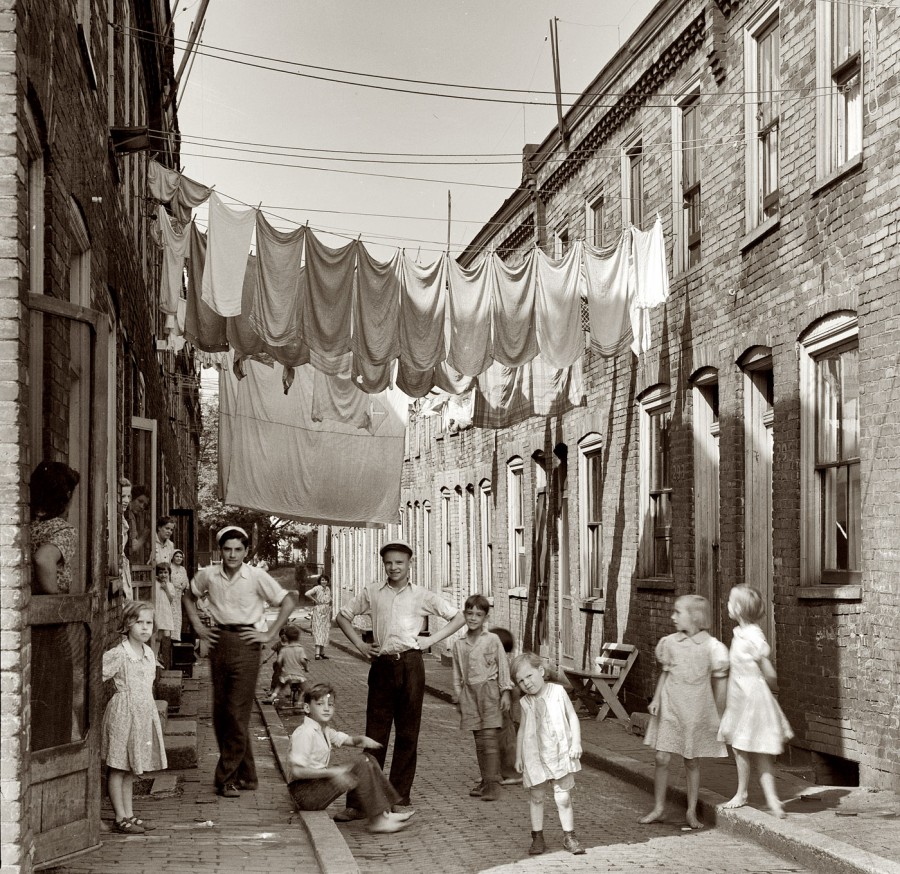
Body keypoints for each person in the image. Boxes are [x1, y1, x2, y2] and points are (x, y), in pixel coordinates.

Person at [335, 539, 465, 816]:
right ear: (384, 564)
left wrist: (432, 640)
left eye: (399, 562)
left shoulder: (422, 595)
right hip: (381, 667)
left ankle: (398, 798)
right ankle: (359, 803)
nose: (393, 567)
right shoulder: (372, 592)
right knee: (374, 736)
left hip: (411, 665)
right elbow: (343, 616)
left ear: (409, 564)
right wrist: (359, 644)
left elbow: (458, 616)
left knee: (407, 735)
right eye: (389, 562)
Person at [182, 525, 299, 798]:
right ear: (220, 550)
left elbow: (288, 602)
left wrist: (269, 633)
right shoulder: (209, 575)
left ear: (246, 551)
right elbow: (188, 596)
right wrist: (198, 627)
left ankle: (226, 778)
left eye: (238, 549)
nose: (232, 555)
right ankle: (248, 774)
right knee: (221, 714)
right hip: (220, 641)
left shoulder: (256, 576)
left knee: (237, 712)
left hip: (248, 645)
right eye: (227, 549)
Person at [639, 594, 729, 829]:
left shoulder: (712, 647)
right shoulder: (670, 643)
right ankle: (659, 808)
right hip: (671, 704)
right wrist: (657, 698)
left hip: (695, 708)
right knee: (661, 757)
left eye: (678, 612)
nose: (673, 617)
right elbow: (666, 673)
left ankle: (691, 811)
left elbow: (720, 682)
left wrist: (719, 714)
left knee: (691, 759)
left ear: (695, 617)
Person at [287, 684, 414, 834]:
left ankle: (385, 813)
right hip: (304, 794)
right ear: (307, 708)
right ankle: (378, 821)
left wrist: (361, 739)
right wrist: (333, 772)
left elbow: (348, 740)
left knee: (368, 758)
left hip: (313, 787)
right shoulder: (305, 733)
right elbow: (297, 772)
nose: (326, 708)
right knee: (360, 762)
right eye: (320, 704)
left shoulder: (324, 730)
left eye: (331, 704)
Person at [718, 584, 793, 819]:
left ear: (738, 608)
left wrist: (771, 681)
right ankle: (746, 793)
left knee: (756, 748)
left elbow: (767, 668)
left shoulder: (752, 634)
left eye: (730, 601)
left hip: (753, 698)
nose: (727, 605)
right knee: (741, 747)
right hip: (739, 697)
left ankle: (769, 799)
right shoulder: (739, 632)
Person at [101, 600, 167, 834]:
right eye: (139, 622)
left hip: (142, 713)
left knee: (129, 768)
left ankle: (129, 814)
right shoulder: (119, 654)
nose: (145, 628)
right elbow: (95, 676)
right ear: (127, 624)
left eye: (149, 623)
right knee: (118, 767)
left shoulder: (148, 652)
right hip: (123, 713)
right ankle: (120, 817)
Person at [512, 651, 586, 856]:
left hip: (559, 752)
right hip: (535, 755)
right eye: (520, 680)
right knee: (536, 797)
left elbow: (572, 717)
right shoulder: (525, 703)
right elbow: (521, 731)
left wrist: (576, 742)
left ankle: (569, 836)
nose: (526, 683)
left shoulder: (557, 692)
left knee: (563, 797)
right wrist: (519, 756)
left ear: (541, 671)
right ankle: (537, 836)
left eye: (529, 676)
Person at [30, 460, 81, 751]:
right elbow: (43, 560)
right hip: (51, 621)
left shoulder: (27, 525)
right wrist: (54, 598)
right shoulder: (62, 530)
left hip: (29, 616)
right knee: (57, 693)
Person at [451, 594, 512, 802]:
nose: (473, 618)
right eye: (470, 613)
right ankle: (486, 781)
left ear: (485, 617)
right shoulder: (459, 644)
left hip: (490, 692)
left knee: (489, 739)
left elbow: (503, 666)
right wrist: (458, 695)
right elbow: (458, 673)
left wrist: (505, 692)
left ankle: (493, 785)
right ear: (465, 615)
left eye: (479, 614)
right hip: (469, 694)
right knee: (478, 741)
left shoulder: (492, 640)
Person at [491, 627, 523, 787]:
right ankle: (494, 772)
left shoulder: (504, 663)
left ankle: (514, 772)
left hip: (506, 708)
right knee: (493, 740)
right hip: (494, 707)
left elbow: (512, 688)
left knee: (507, 741)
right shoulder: (494, 662)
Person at [263, 624, 309, 705]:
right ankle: (299, 702)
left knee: (279, 686)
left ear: (286, 637)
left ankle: (272, 697)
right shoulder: (300, 649)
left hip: (286, 675)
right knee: (305, 689)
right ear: (298, 638)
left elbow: (279, 661)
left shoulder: (284, 649)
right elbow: (303, 660)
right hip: (298, 675)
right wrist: (306, 668)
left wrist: (281, 667)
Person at [152, 562, 177, 664]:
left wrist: (166, 588)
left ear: (169, 574)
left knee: (160, 636)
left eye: (165, 572)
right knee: (154, 634)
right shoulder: (154, 583)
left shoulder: (170, 585)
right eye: (161, 572)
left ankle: (156, 655)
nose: (163, 575)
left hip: (164, 611)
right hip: (156, 610)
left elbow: (171, 599)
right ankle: (153, 656)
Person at [304, 575, 333, 659]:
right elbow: (307, 593)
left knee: (325, 630)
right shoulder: (317, 588)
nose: (324, 582)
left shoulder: (327, 589)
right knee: (318, 630)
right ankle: (317, 653)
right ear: (320, 581)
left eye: (325, 580)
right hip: (319, 611)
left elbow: (329, 598)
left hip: (326, 611)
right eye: (322, 580)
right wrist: (315, 600)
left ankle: (322, 652)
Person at [125, 485, 150, 565]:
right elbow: (133, 547)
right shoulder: (129, 516)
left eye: (144, 505)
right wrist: (144, 535)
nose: (142, 506)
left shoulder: (132, 516)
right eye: (140, 501)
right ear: (132, 498)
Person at [169, 549, 190, 632]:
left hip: (179, 595)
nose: (179, 558)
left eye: (181, 557)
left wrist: (184, 587)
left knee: (177, 615)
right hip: (170, 593)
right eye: (177, 556)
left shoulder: (182, 569)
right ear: (173, 557)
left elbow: (186, 581)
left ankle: (176, 636)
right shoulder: (169, 567)